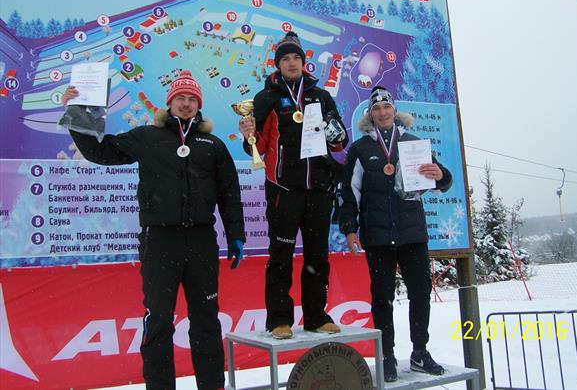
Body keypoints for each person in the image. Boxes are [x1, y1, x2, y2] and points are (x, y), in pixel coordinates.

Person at [62, 70, 245, 390]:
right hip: (159, 241)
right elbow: (100, 152)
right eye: (180, 98)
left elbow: (228, 191)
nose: (186, 104)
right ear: (169, 102)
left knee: (206, 323)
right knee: (159, 322)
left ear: (198, 105)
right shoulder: (147, 137)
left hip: (201, 241)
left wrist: (236, 234)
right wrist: (78, 113)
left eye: (191, 99)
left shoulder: (212, 144)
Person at [238, 32, 348, 339]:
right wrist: (248, 132)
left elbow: (339, 143)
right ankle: (279, 319)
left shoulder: (320, 95)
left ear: (303, 62)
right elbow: (254, 148)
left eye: (296, 58)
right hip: (283, 190)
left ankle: (315, 315)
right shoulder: (267, 98)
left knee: (317, 257)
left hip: (318, 189)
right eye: (285, 59)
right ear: (278, 63)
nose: (291, 63)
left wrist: (334, 132)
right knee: (280, 257)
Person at [338, 86, 452, 381]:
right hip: (377, 235)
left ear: (394, 110)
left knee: (420, 294)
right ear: (370, 115)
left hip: (412, 232)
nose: (383, 112)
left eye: (386, 107)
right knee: (381, 298)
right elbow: (349, 192)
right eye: (376, 109)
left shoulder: (413, 143)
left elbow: (440, 176)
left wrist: (441, 176)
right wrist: (350, 229)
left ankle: (419, 352)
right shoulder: (361, 149)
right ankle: (387, 355)